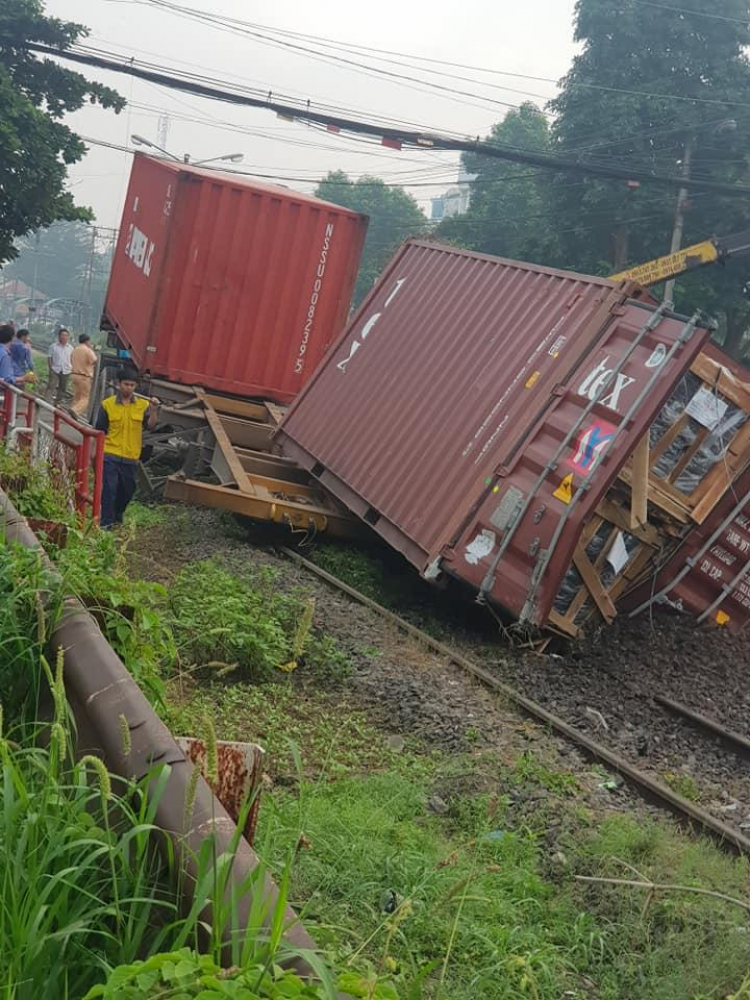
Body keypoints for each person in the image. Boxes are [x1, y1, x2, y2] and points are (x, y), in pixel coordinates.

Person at [95, 367, 159, 528]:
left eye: (132, 385)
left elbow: (150, 426)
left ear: (136, 386)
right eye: (126, 384)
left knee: (128, 490)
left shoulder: (143, 405)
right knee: (109, 489)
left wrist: (153, 411)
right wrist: (94, 453)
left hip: (131, 455)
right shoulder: (107, 405)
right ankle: (106, 523)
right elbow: (100, 430)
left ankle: (117, 514)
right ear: (118, 384)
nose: (128, 388)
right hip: (110, 453)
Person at [70, 333, 98, 418]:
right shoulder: (87, 350)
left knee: (76, 396)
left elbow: (71, 360)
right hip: (84, 376)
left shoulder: (75, 349)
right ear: (87, 341)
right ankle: (75, 410)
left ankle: (73, 411)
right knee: (85, 398)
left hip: (74, 374)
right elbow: (94, 361)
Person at [47, 327, 73, 405]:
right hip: (55, 369)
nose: (64, 337)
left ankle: (57, 402)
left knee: (63, 388)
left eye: (66, 335)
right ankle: (46, 401)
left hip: (66, 370)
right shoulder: (53, 346)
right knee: (51, 385)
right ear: (59, 336)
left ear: (68, 337)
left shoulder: (71, 348)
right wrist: (51, 368)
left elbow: (72, 358)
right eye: (62, 335)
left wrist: (71, 368)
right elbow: (49, 357)